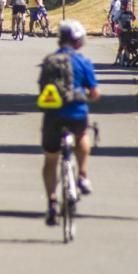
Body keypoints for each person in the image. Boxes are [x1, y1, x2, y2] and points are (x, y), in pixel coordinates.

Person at [38, 20, 100, 225]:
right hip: (76, 112)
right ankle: (82, 176)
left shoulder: (49, 61)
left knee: (50, 160)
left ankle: (52, 202)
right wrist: (87, 98)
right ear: (78, 40)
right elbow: (94, 93)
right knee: (82, 134)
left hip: (53, 115)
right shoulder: (82, 61)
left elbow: (42, 89)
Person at [114, 0, 137, 64]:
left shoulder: (129, 12)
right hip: (122, 31)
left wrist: (130, 14)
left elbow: (134, 18)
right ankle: (125, 60)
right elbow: (115, 20)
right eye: (127, 5)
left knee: (124, 46)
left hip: (128, 31)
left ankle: (117, 61)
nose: (127, 6)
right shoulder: (120, 12)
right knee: (123, 46)